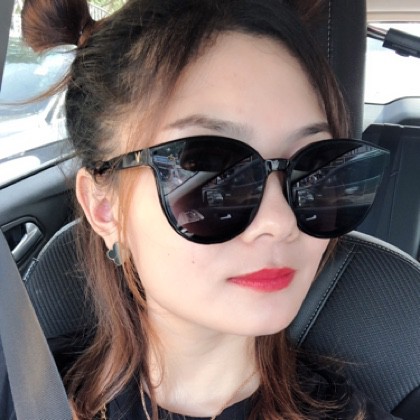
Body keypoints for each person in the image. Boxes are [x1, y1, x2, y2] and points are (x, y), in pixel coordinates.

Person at [16, 0, 396, 419]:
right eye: (209, 172)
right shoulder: (23, 391)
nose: (280, 221)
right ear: (105, 208)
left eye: (315, 169)